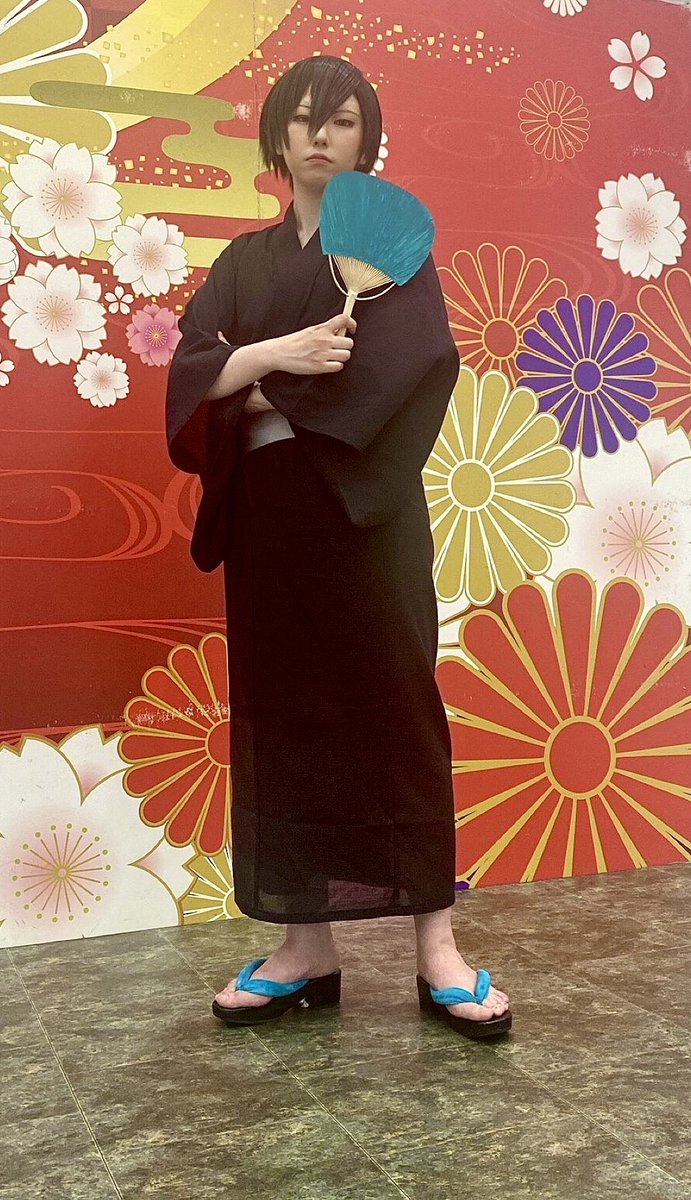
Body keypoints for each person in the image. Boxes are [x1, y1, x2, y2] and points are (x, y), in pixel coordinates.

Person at [166, 55, 511, 1038]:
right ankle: (304, 946)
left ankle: (436, 946)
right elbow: (191, 374)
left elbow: (414, 364)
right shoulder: (242, 263)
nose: (321, 135)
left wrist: (253, 383)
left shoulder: (390, 252)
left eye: (343, 120)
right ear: (277, 136)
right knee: (282, 722)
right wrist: (279, 357)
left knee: (398, 712)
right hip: (270, 525)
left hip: (366, 514)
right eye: (304, 118)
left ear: (367, 141)